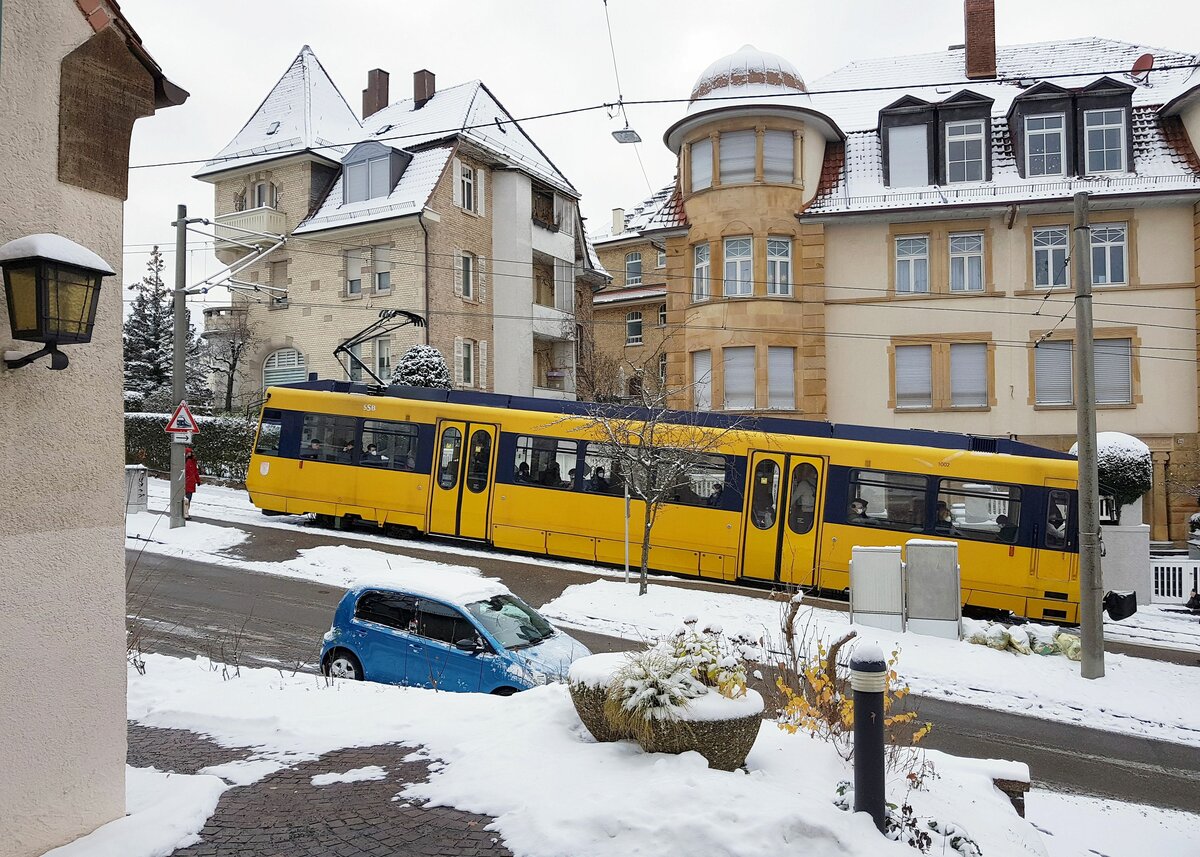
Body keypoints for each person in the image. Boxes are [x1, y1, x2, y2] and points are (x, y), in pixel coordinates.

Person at [184, 447, 202, 520]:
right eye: (188, 453)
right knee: (184, 500)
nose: (189, 454)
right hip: (185, 483)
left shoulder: (192, 461)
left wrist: (198, 480)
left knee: (188, 499)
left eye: (190, 453)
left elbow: (195, 472)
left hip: (190, 483)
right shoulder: (184, 461)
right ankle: (184, 513)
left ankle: (185, 513)